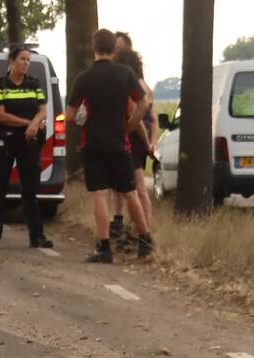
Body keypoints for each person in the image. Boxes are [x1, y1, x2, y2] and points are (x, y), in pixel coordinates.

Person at [65, 28, 154, 264]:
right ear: (114, 49)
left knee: (101, 195)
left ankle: (104, 248)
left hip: (92, 143)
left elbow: (70, 115)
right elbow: (143, 103)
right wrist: (130, 125)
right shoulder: (125, 74)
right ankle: (145, 241)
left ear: (94, 49)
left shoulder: (83, 79)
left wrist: (82, 119)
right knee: (130, 192)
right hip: (119, 142)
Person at [0, 45, 53, 251]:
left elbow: (43, 110)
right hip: (4, 141)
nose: (26, 63)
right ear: (11, 61)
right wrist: (29, 124)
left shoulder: (33, 84)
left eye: (28, 60)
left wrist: (35, 124)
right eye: (22, 59)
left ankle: (36, 236)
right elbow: (0, 115)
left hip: (28, 142)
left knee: (30, 191)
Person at [113, 47, 157, 246]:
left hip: (135, 139)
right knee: (135, 189)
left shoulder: (134, 87)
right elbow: (153, 119)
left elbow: (136, 119)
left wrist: (129, 134)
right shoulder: (145, 85)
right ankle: (139, 230)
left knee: (137, 189)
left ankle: (143, 232)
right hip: (142, 140)